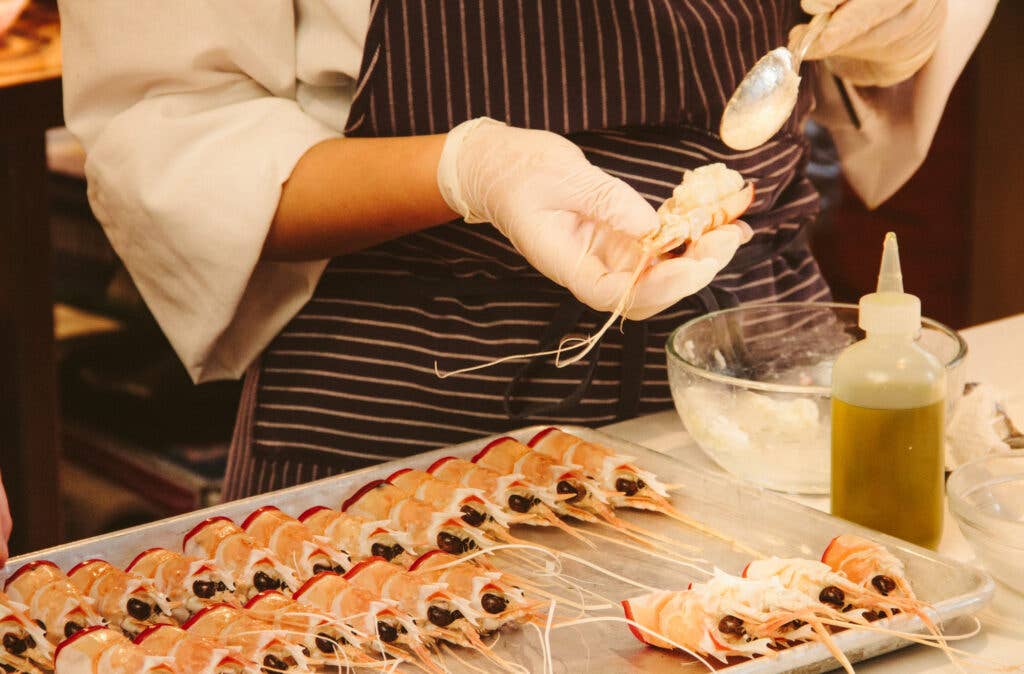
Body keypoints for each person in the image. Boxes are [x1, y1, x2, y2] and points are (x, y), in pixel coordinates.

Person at [44, 0, 992, 514]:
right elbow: (171, 135)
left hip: (756, 387)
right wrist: (470, 171)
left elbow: (876, 66)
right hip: (402, 417)